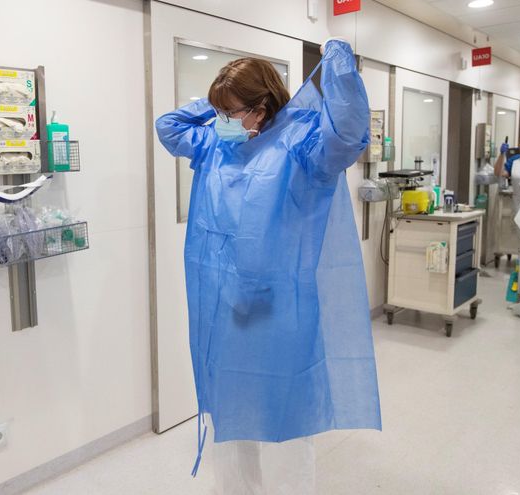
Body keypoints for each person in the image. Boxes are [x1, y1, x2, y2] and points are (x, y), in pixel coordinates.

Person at [155, 39, 381, 495]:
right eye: (220, 112)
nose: (223, 120)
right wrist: (217, 106)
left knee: (286, 420)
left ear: (262, 107)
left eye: (232, 111)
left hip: (282, 308)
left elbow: (347, 137)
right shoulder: (216, 142)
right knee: (230, 415)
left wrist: (340, 72)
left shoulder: (302, 142)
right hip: (228, 307)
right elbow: (169, 126)